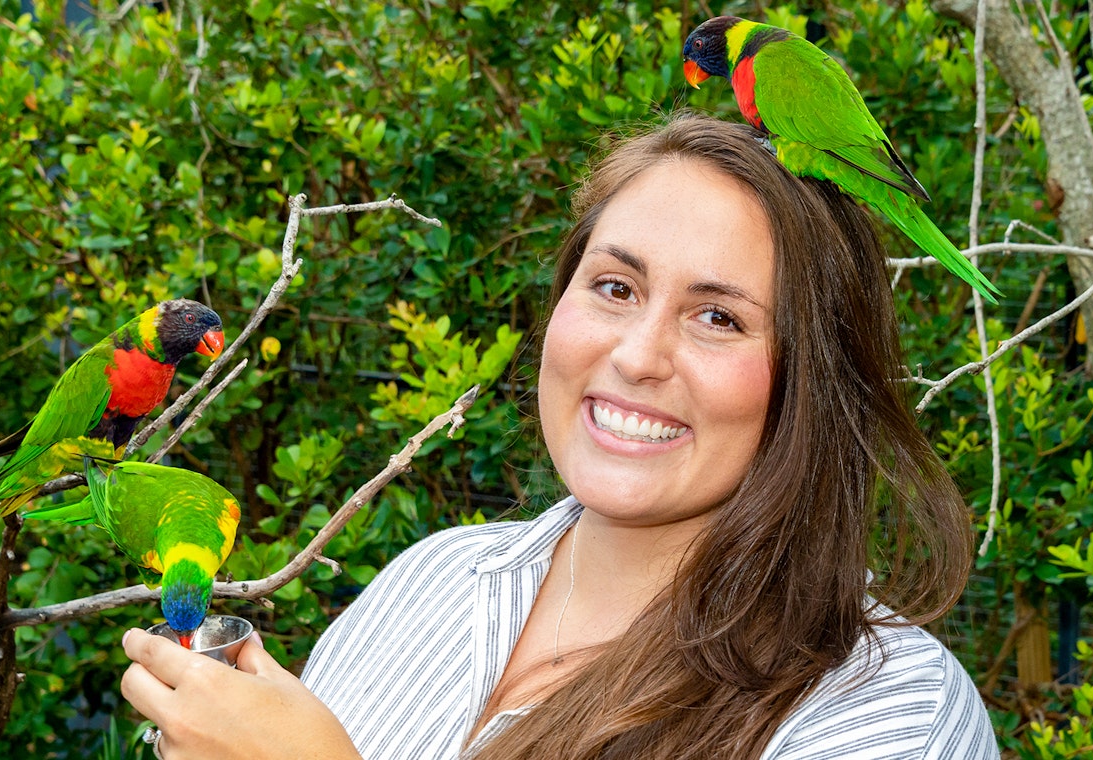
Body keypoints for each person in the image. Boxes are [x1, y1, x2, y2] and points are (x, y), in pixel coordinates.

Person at [121, 113, 999, 759]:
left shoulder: (890, 714)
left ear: (812, 380)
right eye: (615, 288)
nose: (638, 355)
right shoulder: (429, 583)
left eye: (719, 317)